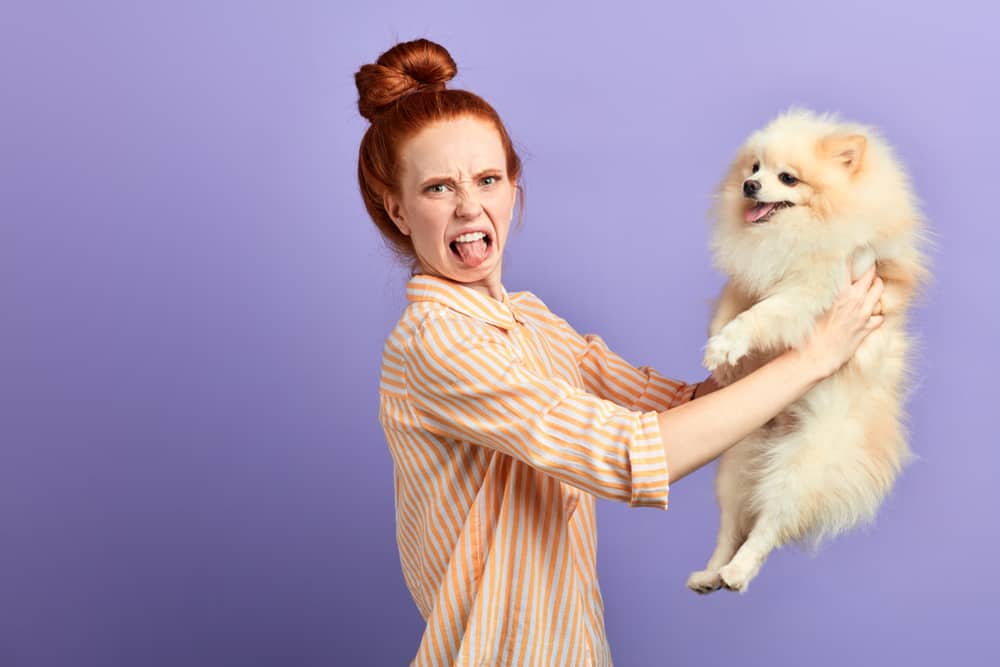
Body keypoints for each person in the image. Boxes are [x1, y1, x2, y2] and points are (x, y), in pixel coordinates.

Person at [356, 38, 885, 667]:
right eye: (439, 187)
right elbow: (630, 455)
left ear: (512, 186)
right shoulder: (437, 341)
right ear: (399, 209)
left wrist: (803, 306)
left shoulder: (528, 321)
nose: (471, 206)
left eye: (487, 179)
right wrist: (815, 357)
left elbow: (683, 406)